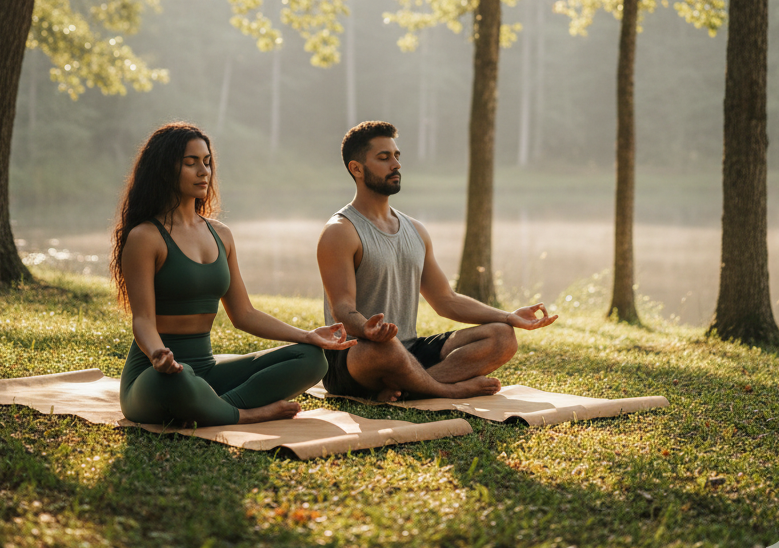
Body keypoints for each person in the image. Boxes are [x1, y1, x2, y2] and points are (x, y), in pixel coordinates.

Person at [111, 121, 354, 427]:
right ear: (164, 169)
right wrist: (159, 353)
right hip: (155, 376)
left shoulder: (220, 234)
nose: (204, 172)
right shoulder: (146, 237)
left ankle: (210, 407)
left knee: (311, 358)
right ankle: (244, 413)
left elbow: (244, 313)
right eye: (191, 163)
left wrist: (307, 336)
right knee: (182, 378)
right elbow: (143, 320)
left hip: (208, 372)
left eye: (207, 162)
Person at [317, 120, 558, 402]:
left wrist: (508, 317)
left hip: (408, 349)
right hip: (356, 355)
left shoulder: (415, 230)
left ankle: (407, 389)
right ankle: (446, 390)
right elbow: (342, 309)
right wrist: (367, 328)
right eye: (384, 158)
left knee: (502, 337)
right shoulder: (340, 231)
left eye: (397, 156)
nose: (395, 164)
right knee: (384, 349)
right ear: (356, 168)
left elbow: (446, 300)